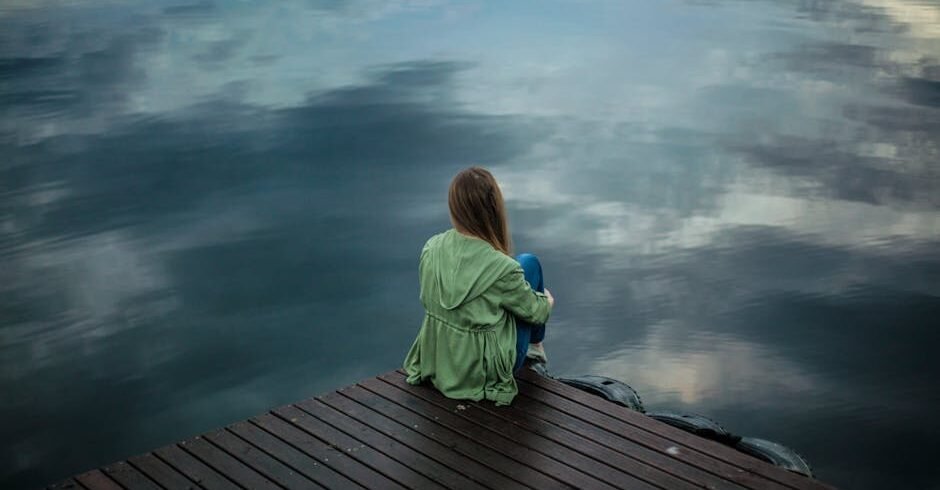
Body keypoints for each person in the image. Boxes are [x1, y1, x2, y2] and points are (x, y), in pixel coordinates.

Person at [402, 166, 554, 406]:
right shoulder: (503, 268)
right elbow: (538, 313)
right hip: (481, 372)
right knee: (529, 263)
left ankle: (533, 346)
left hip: (441, 361)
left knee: (520, 269)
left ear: (454, 207)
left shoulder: (431, 248)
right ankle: (535, 347)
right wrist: (546, 301)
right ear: (494, 209)